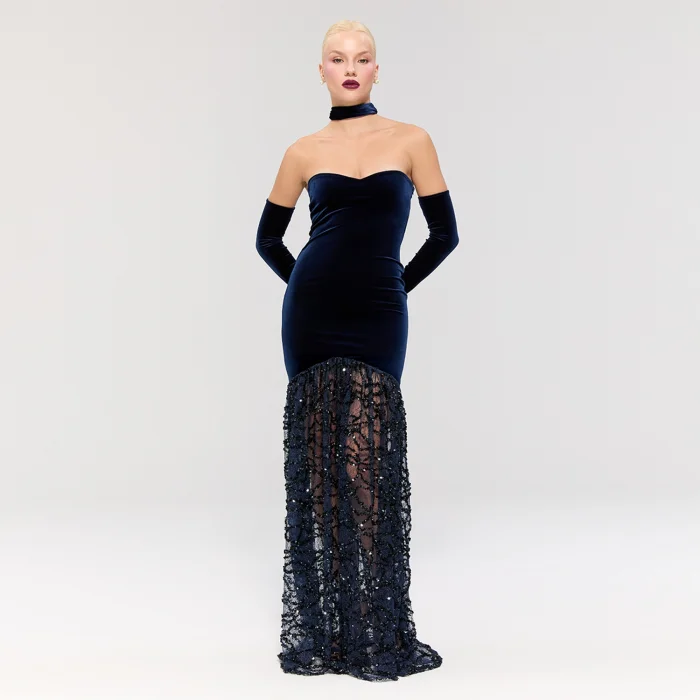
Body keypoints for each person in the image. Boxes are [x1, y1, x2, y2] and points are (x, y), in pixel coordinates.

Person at [255, 19, 459, 682]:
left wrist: (394, 284)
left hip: (377, 318)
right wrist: (308, 285)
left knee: (367, 468)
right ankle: (326, 633)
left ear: (376, 69)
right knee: (319, 472)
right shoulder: (303, 151)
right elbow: (267, 240)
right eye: (337, 59)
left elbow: (445, 234)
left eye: (362, 58)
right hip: (311, 318)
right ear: (320, 71)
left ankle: (373, 629)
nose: (349, 68)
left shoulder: (411, 140)